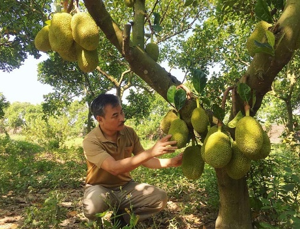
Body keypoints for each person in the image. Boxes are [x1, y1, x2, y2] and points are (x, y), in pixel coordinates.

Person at [82, 93, 183, 226]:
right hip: (100, 188)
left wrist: (171, 162)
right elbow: (114, 168)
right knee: (93, 205)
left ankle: (122, 220)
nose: (122, 118)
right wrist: (151, 152)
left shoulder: (129, 132)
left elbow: (144, 159)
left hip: (126, 189)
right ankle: (95, 224)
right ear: (100, 119)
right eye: (115, 115)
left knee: (159, 198)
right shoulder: (91, 141)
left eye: (121, 112)